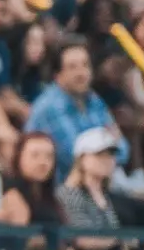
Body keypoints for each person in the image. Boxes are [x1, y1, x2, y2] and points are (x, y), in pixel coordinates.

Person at [24, 37, 117, 179]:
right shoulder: (50, 106)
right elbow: (75, 156)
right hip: (62, 187)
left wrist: (104, 153)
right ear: (57, 75)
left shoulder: (93, 99)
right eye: (72, 67)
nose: (81, 73)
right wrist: (107, 147)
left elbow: (123, 150)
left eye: (85, 65)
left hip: (97, 181)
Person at [56, 128, 127, 250]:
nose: (107, 159)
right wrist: (121, 240)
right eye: (99, 154)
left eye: (111, 154)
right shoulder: (68, 193)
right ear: (82, 158)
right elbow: (82, 239)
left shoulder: (112, 195)